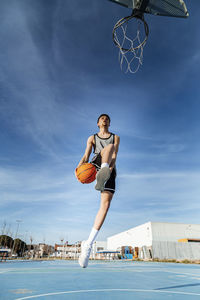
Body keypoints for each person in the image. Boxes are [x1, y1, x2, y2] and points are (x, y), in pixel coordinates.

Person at [76, 114, 120, 268]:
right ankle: (102, 171)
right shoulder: (92, 138)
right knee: (108, 147)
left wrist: (110, 169)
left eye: (107, 118)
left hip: (109, 169)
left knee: (105, 206)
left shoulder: (116, 137)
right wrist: (78, 168)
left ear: (109, 122)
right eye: (102, 118)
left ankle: (87, 245)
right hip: (96, 164)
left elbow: (114, 156)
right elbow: (86, 155)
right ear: (98, 123)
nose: (105, 120)